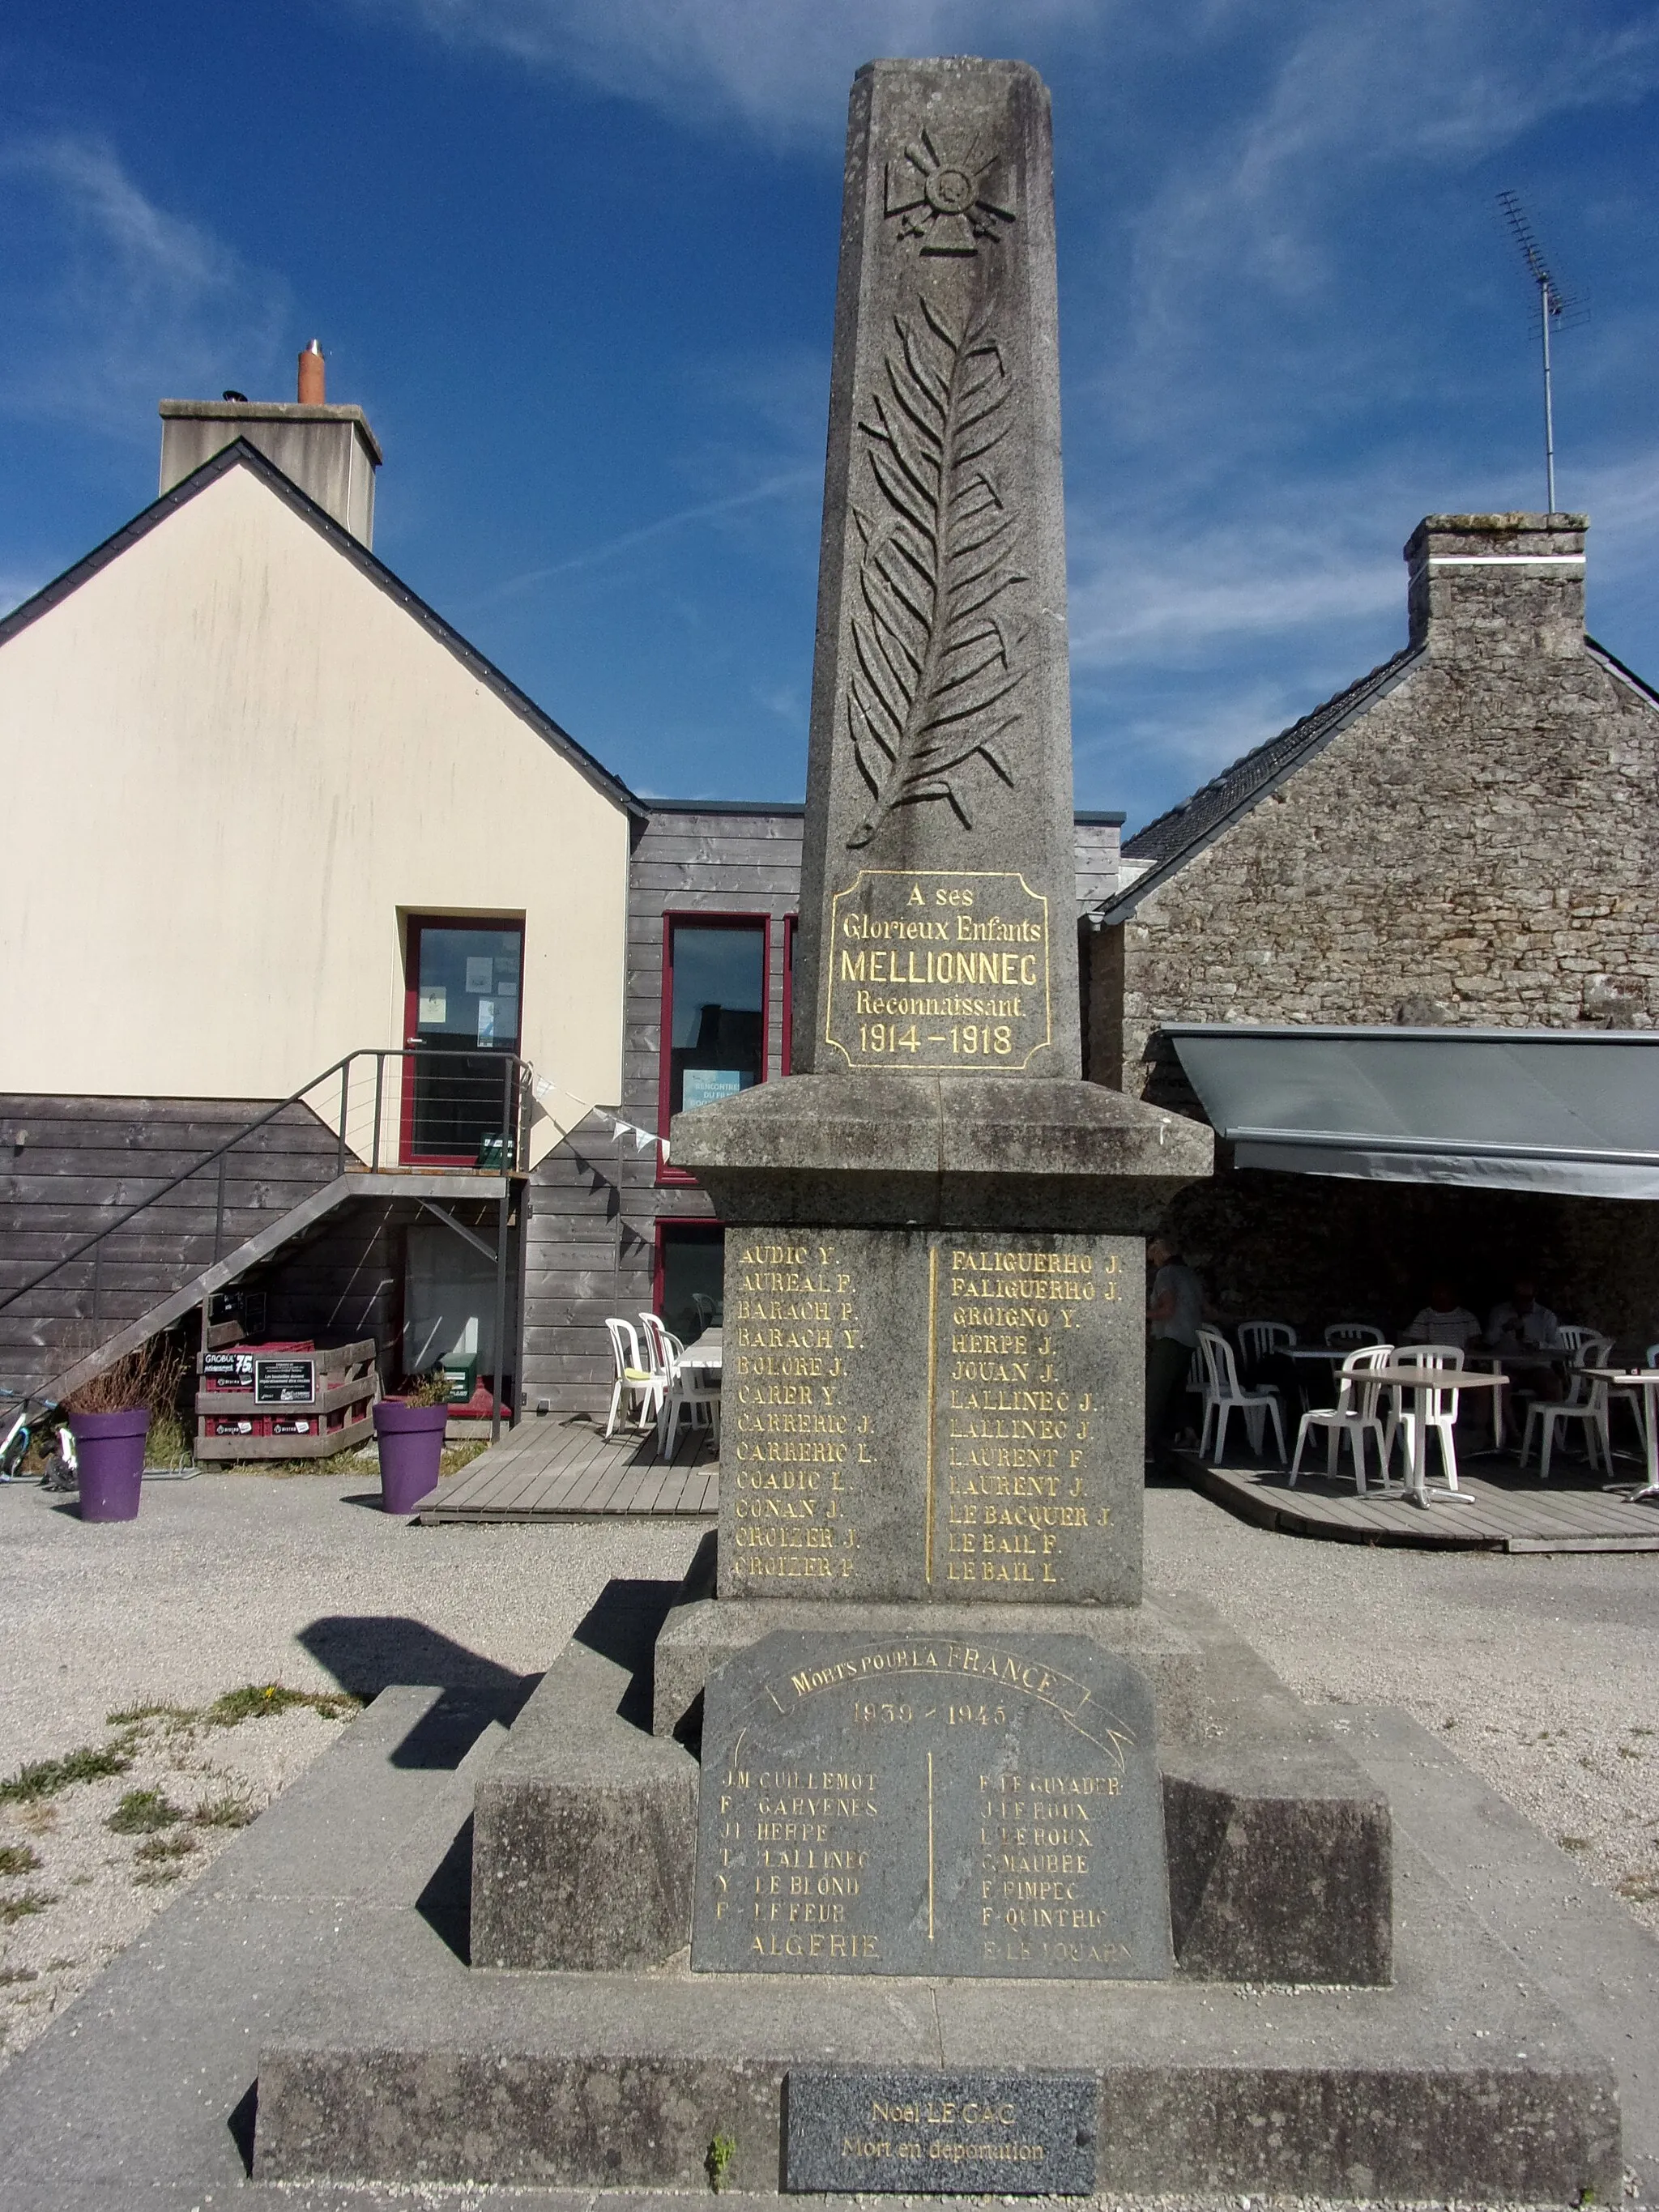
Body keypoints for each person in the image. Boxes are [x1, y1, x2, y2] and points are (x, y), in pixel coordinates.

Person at [1145, 1236, 1209, 1469]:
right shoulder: (1190, 1275)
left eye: (1152, 1255)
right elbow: (1205, 1309)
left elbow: (1167, 1309)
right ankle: (1190, 1434)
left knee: (1156, 1392)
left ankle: (1145, 1446)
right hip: (1190, 1340)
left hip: (1170, 1338)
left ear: (1160, 1252)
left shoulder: (1166, 1274)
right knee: (1177, 1391)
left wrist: (1141, 1313)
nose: (1152, 1261)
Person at [1485, 1278, 1563, 1354]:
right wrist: (1503, 1329)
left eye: (1527, 1298)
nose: (1522, 1302)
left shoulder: (1546, 1316)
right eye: (1519, 1298)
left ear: (1534, 1296)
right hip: (1506, 1365)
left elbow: (1559, 1348)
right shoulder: (1500, 1312)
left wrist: (1539, 1345)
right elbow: (1487, 1342)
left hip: (1537, 1365)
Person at [1402, 1281, 1482, 1353]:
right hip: (1432, 1365)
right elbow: (1419, 1345)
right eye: (1435, 1292)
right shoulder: (1424, 1316)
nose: (1437, 1295)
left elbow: (1475, 1343)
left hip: (1462, 1365)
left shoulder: (1467, 1317)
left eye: (1441, 1292)